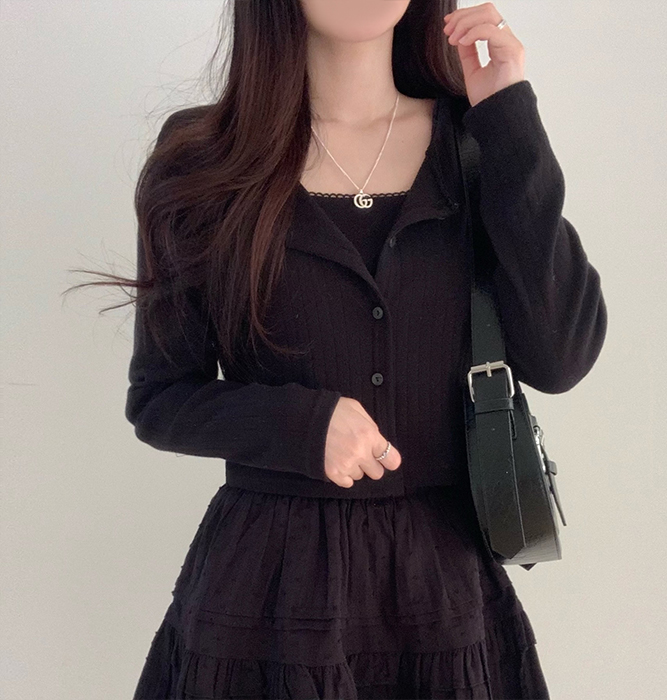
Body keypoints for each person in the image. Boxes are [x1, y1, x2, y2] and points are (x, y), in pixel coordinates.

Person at [122, 1, 607, 698]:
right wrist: (299, 425)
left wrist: (509, 114)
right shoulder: (203, 156)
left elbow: (560, 357)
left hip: (442, 594)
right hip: (268, 597)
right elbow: (160, 397)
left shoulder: (476, 143)